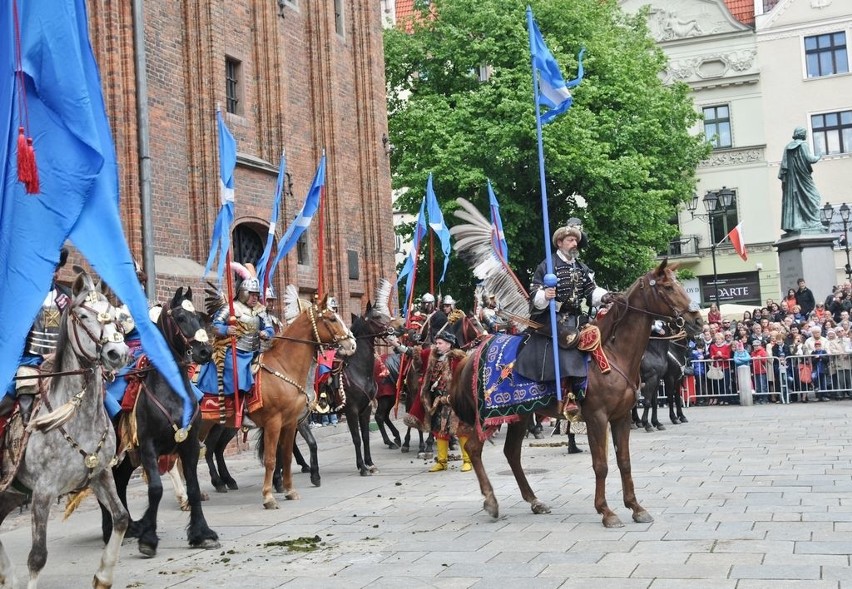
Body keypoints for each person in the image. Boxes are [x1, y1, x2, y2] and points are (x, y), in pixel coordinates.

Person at [515, 225, 609, 419]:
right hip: (551, 319)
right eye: (570, 240)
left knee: (598, 336)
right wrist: (545, 295)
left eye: (576, 240)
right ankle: (569, 396)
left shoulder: (581, 267)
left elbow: (591, 290)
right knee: (569, 341)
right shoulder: (547, 266)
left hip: (576, 318)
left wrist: (605, 296)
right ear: (560, 242)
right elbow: (534, 294)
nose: (575, 243)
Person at [1, 247, 72, 425]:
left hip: (61, 361)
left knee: (98, 393)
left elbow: (72, 331)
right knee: (18, 389)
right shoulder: (23, 296)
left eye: (57, 269)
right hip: (28, 359)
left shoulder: (66, 297)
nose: (55, 273)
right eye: (51, 268)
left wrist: (59, 353)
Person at [197, 271, 273, 416]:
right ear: (244, 293)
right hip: (235, 351)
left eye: (257, 295)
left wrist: (267, 333)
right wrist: (226, 329)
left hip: (256, 351)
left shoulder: (260, 310)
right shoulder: (231, 307)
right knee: (236, 370)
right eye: (252, 294)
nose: (255, 297)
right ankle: (235, 403)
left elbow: (269, 327)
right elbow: (214, 326)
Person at [418, 331, 469, 472]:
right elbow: (415, 355)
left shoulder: (459, 359)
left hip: (456, 401)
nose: (437, 346)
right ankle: (442, 462)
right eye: (436, 343)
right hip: (439, 400)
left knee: (462, 430)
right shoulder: (434, 358)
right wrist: (396, 344)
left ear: (449, 344)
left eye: (440, 343)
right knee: (439, 431)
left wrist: (455, 396)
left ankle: (467, 460)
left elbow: (465, 381)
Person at [779, 126, 824, 235]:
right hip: (803, 178)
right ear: (802, 134)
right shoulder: (803, 145)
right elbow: (810, 159)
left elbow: (784, 166)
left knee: (795, 200)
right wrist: (819, 155)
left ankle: (796, 223)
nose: (806, 135)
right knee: (815, 197)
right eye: (805, 133)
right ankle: (814, 223)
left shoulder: (787, 147)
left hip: (792, 180)